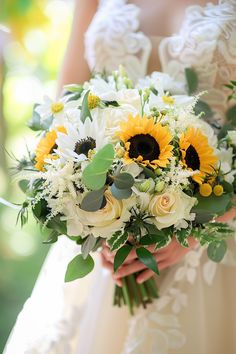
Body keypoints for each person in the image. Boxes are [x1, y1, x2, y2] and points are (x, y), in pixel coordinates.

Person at [4, 1, 236, 353]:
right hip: (106, 250)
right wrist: (92, 219)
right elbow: (65, 107)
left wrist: (196, 231)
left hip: (214, 247)